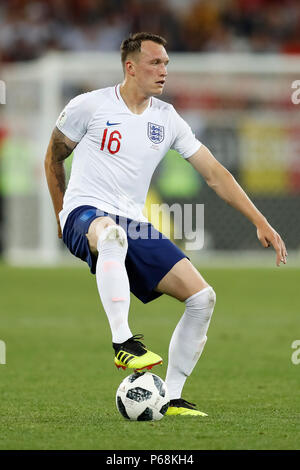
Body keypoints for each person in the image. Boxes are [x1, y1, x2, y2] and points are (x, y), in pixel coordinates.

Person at [44, 32, 287, 417]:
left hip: (133, 223)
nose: (164, 71)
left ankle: (171, 397)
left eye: (166, 64)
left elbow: (214, 173)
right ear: (131, 67)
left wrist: (260, 220)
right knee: (112, 235)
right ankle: (122, 341)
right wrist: (62, 217)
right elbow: (53, 158)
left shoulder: (167, 118)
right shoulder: (89, 106)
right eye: (155, 63)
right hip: (85, 211)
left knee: (202, 298)